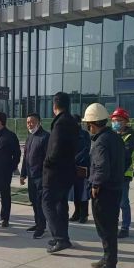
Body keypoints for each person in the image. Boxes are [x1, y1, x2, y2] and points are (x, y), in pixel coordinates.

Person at [82, 103, 125, 268]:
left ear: (92, 124)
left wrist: (95, 184)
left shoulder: (100, 142)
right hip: (115, 187)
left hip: (105, 191)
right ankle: (108, 258)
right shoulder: (114, 137)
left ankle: (110, 265)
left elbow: (101, 167)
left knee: (105, 228)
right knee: (110, 227)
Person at [42, 92, 79, 254]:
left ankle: (60, 238)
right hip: (67, 171)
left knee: (47, 203)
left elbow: (55, 149)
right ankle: (64, 237)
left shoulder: (60, 123)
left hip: (55, 173)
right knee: (61, 205)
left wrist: (47, 162)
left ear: (54, 105)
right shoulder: (71, 121)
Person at [20, 113, 49, 239]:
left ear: (39, 122)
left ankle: (41, 227)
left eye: (32, 122)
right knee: (33, 201)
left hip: (41, 177)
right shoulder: (30, 137)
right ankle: (37, 223)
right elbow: (26, 157)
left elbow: (48, 158)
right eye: (28, 122)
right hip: (31, 176)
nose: (29, 124)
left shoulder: (45, 137)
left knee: (40, 203)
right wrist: (23, 174)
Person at [111, 108, 134, 238]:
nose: (116, 123)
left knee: (123, 202)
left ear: (126, 121)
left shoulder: (130, 136)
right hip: (112, 174)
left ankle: (125, 228)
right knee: (113, 203)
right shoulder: (112, 135)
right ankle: (113, 226)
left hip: (124, 174)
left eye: (119, 120)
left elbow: (126, 155)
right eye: (114, 120)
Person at [69, 114, 91, 225]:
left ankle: (84, 214)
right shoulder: (69, 134)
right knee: (74, 191)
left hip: (82, 167)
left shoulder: (85, 134)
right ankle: (76, 212)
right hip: (71, 167)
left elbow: (86, 149)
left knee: (83, 192)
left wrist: (75, 159)